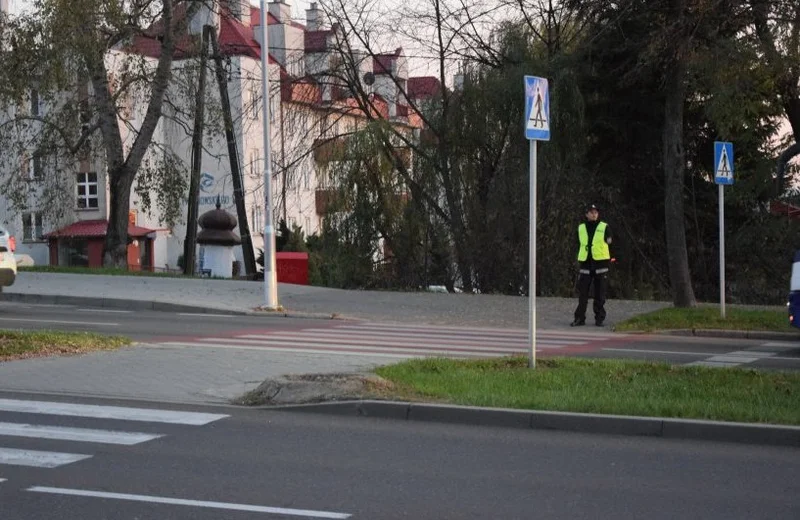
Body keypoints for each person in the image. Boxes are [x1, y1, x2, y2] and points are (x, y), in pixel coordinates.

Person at [571, 203, 613, 327]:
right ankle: (579, 318)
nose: (594, 214)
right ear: (586, 214)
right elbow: (577, 243)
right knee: (583, 293)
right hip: (586, 263)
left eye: (595, 212)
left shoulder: (604, 227)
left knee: (599, 293)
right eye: (591, 212)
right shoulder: (581, 228)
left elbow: (610, 242)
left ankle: (599, 318)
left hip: (600, 263)